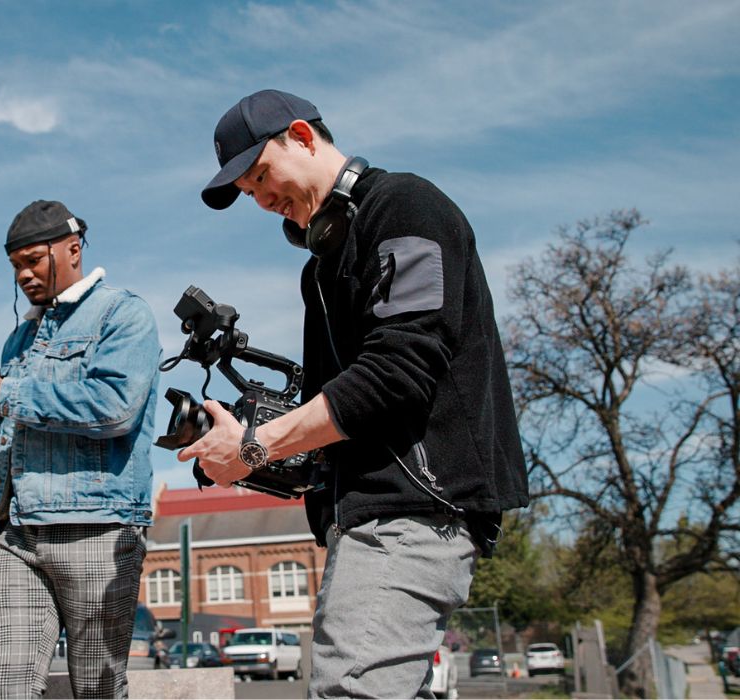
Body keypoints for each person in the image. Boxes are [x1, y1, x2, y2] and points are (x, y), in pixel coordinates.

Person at [181, 89, 529, 698]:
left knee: (352, 690)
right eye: (249, 195)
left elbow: (395, 375)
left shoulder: (406, 207)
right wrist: (276, 459)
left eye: (262, 176)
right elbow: (343, 404)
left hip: (416, 509)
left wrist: (256, 447)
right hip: (366, 515)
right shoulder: (320, 268)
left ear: (303, 136)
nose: (262, 200)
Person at [0, 200, 161, 699]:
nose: (23, 275)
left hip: (97, 528)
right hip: (15, 534)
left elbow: (114, 409)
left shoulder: (123, 314)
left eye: (33, 260)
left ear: (73, 248)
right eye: (15, 266)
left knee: (98, 690)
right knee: (9, 687)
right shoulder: (19, 339)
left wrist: (3, 393)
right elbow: (4, 446)